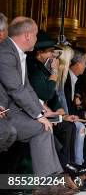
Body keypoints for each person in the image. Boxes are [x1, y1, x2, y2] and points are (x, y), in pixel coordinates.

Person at [0, 17, 64, 178]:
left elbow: (26, 88)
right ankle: (48, 183)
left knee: (44, 127)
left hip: (12, 111)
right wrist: (38, 115)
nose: (36, 39)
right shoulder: (6, 52)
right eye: (35, 35)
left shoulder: (18, 53)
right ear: (27, 35)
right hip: (6, 113)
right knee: (42, 127)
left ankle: (54, 180)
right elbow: (16, 89)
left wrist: (41, 111)